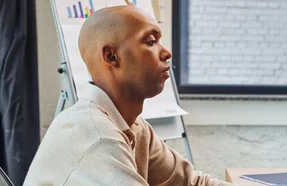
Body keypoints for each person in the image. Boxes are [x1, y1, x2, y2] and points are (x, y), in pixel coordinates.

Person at [24, 5, 233, 186]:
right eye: (151, 42)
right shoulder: (98, 137)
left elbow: (191, 183)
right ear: (112, 56)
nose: (167, 53)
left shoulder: (135, 128)